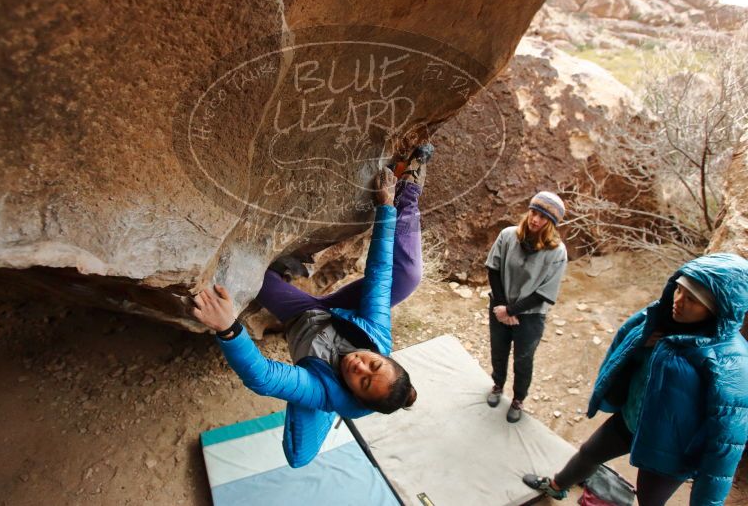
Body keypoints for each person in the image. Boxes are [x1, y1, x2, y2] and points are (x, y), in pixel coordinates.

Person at [192, 145, 432, 468]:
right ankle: (409, 190)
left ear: (355, 395)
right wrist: (386, 208)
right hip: (333, 314)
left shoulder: (322, 389)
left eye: (363, 382)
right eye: (374, 365)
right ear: (383, 356)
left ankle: (328, 410)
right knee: (407, 276)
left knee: (299, 456)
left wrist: (228, 328)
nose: (360, 367)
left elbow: (263, 376)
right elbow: (380, 274)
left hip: (297, 318)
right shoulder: (375, 336)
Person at [523, 253, 748, 506]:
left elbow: (727, 442)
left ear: (718, 309)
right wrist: (642, 345)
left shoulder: (731, 361)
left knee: (649, 500)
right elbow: (622, 354)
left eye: (692, 300)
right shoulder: (659, 317)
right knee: (588, 453)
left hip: (669, 449)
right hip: (631, 420)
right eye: (679, 289)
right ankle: (556, 487)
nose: (678, 301)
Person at [485, 191, 568, 423]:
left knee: (523, 360)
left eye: (543, 217)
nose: (535, 220)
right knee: (498, 351)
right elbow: (493, 269)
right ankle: (497, 385)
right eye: (533, 213)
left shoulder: (557, 252)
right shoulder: (508, 235)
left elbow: (544, 293)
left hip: (530, 316)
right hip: (500, 305)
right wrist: (502, 306)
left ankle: (518, 399)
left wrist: (511, 311)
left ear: (551, 223)